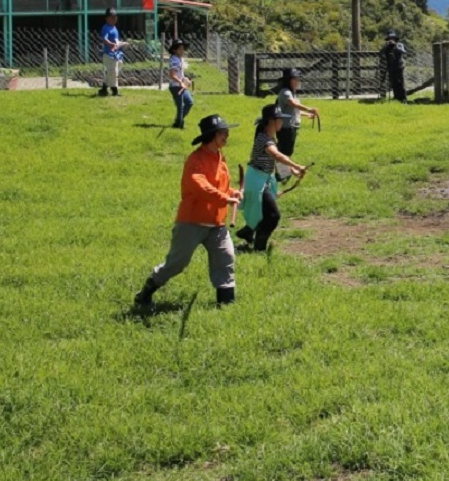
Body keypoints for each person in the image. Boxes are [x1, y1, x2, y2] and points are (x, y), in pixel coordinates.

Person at [134, 114, 242, 308]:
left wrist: (232, 193)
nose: (227, 135)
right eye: (224, 132)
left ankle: (226, 306)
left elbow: (219, 187)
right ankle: (144, 295)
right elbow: (201, 187)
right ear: (213, 135)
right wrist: (225, 198)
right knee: (177, 263)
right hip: (192, 222)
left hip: (216, 223)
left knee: (225, 258)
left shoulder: (220, 157)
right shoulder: (195, 160)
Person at [237, 104, 308, 252]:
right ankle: (258, 248)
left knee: (266, 213)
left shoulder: (269, 138)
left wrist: (292, 170)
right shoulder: (264, 139)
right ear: (271, 121)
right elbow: (276, 155)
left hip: (262, 180)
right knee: (273, 215)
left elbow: (275, 160)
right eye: (280, 119)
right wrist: (297, 165)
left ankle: (248, 232)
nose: (282, 122)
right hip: (256, 181)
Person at [274, 68, 318, 179]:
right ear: (289, 80)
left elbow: (294, 110)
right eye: (295, 79)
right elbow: (293, 104)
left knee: (285, 151)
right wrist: (309, 109)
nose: (298, 81)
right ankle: (282, 174)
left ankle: (284, 172)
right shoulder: (285, 92)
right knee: (285, 151)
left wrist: (307, 114)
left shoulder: (291, 93)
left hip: (290, 127)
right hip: (285, 127)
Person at [98, 8, 126, 97]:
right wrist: (111, 44)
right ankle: (115, 91)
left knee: (114, 70)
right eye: (111, 17)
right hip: (109, 55)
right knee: (113, 72)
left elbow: (116, 41)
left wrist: (121, 44)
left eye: (115, 16)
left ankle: (103, 89)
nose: (114, 18)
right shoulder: (106, 28)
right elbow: (104, 39)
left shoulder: (114, 28)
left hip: (116, 54)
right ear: (107, 18)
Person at [167, 39, 193, 129]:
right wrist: (180, 82)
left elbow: (180, 73)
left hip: (181, 86)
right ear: (174, 50)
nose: (182, 51)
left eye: (183, 49)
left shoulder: (180, 59)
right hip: (175, 87)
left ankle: (178, 120)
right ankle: (179, 124)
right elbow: (172, 75)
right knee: (180, 106)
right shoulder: (174, 60)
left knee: (189, 102)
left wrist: (185, 79)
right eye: (180, 49)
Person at [380, 31, 407, 102]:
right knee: (393, 83)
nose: (391, 40)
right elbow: (381, 53)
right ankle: (396, 97)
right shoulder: (387, 46)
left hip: (399, 66)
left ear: (395, 39)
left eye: (392, 38)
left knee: (400, 83)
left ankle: (403, 98)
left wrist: (395, 46)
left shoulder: (399, 45)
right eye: (390, 38)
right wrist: (385, 47)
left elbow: (403, 51)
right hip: (390, 67)